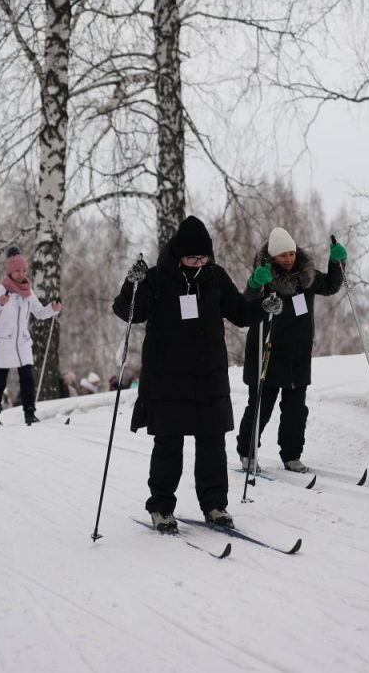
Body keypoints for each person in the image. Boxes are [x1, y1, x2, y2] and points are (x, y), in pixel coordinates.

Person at [112, 215, 275, 534]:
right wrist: (133, 283)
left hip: (208, 375)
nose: (198, 263)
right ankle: (161, 507)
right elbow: (129, 311)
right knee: (168, 444)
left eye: (203, 257)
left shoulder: (215, 277)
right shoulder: (157, 278)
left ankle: (215, 505)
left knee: (212, 443)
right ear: (178, 254)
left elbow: (240, 312)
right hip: (167, 376)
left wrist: (262, 307)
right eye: (192, 258)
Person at [236, 228, 346, 473]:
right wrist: (254, 284)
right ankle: (247, 453)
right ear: (273, 256)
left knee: (296, 411)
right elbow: (246, 303)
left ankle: (291, 455)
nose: (288, 259)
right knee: (260, 408)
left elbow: (330, 286)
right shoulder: (265, 275)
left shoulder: (306, 276)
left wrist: (336, 263)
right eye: (283, 255)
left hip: (298, 354)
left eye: (291, 253)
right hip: (267, 352)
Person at [0, 246, 61, 426]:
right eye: (17, 270)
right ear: (10, 271)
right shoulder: (0, 290)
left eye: (24, 270)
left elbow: (39, 313)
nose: (21, 274)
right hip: (3, 343)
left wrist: (52, 309)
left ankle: (29, 413)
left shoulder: (28, 293)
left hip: (22, 343)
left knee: (27, 380)